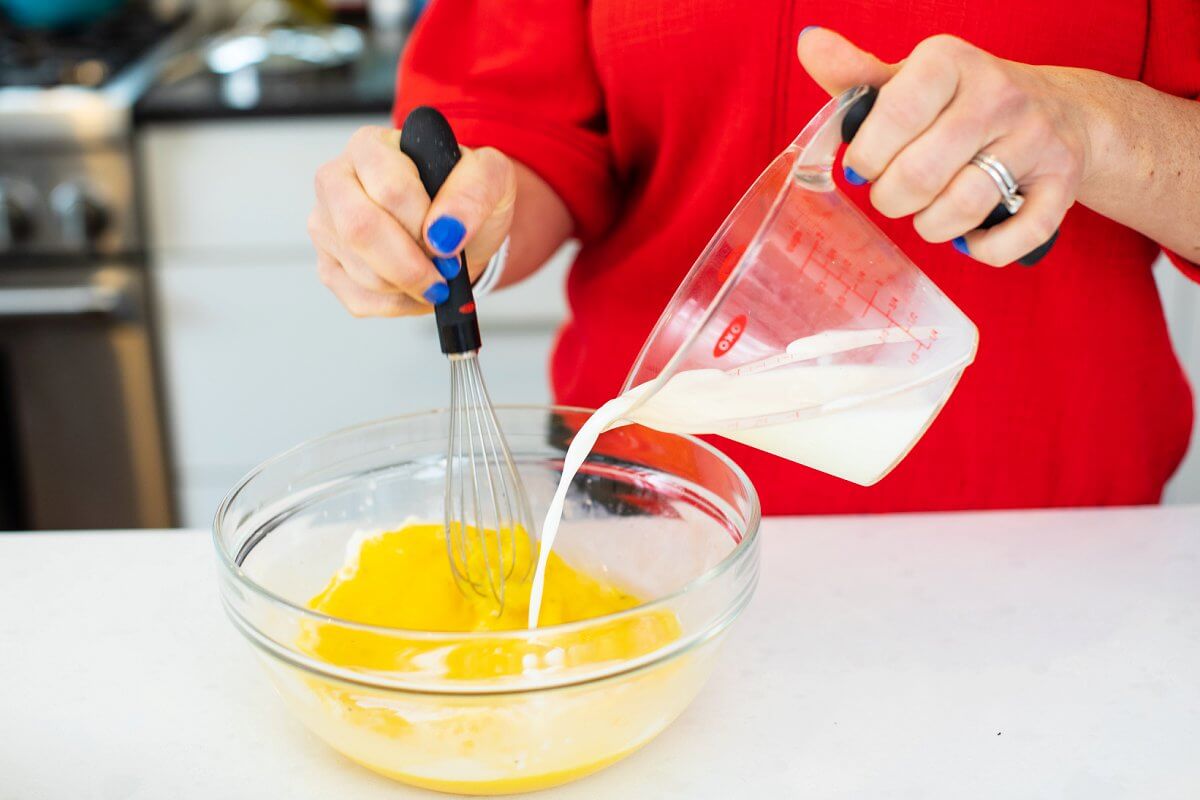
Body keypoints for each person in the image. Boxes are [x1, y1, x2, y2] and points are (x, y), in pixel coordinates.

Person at [307, 3, 1200, 514]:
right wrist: (450, 219)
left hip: (1060, 541)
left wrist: (1093, 126)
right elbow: (522, 139)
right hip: (650, 522)